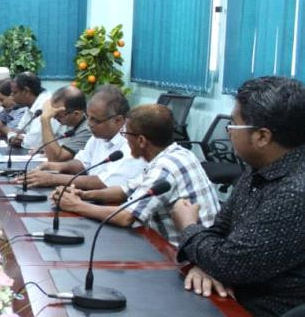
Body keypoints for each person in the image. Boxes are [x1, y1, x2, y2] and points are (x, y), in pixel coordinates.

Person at [172, 76, 305, 317]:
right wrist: (205, 264)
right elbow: (221, 232)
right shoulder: (259, 168)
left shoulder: (295, 192)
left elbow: (230, 263)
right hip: (234, 297)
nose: (229, 131)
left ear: (262, 137)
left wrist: (188, 226)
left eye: (233, 124)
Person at [53, 104, 219, 245]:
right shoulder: (178, 153)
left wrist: (75, 205)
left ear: (141, 140)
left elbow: (126, 217)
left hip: (184, 256)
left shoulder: (165, 167)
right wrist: (83, 195)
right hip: (188, 245)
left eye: (126, 134)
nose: (124, 140)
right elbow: (125, 190)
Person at [21, 85, 146, 190]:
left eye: (95, 120)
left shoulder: (131, 143)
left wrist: (53, 178)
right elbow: (83, 163)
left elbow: (103, 183)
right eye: (89, 117)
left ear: (118, 120)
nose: (89, 124)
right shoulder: (98, 135)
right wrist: (57, 167)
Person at [37, 85, 92, 162]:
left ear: (76, 114)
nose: (54, 118)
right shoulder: (70, 122)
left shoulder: (88, 129)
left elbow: (56, 159)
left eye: (58, 115)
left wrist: (45, 119)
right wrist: (45, 150)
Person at [7, 72, 51, 149]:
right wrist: (12, 136)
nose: (11, 96)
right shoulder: (30, 104)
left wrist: (21, 138)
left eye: (14, 92)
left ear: (26, 91)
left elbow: (32, 143)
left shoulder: (44, 104)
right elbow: (18, 131)